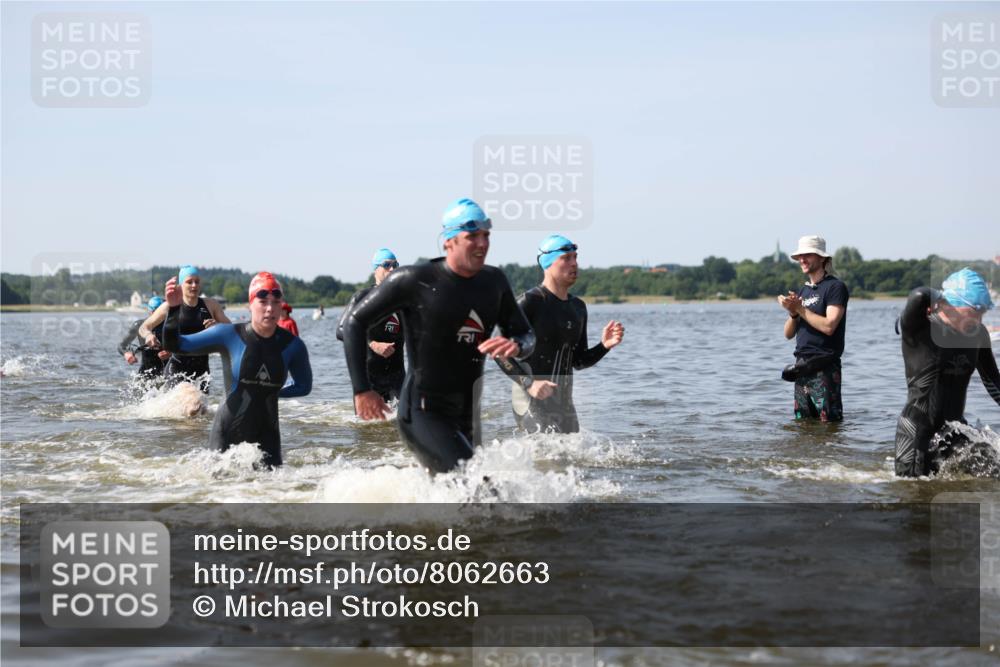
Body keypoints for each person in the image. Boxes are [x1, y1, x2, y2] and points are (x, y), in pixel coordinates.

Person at [340, 198, 535, 473]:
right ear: (449, 242)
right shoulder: (413, 280)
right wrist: (362, 390)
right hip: (421, 410)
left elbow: (526, 334)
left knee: (456, 495)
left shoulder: (494, 283)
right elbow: (352, 323)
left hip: (467, 412)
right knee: (473, 488)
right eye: (472, 236)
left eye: (486, 235)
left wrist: (515, 344)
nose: (482, 243)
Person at [161, 271, 312, 468]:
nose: (270, 308)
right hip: (225, 436)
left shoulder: (293, 346)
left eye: (276, 301)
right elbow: (176, 345)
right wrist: (173, 310)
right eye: (263, 301)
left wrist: (269, 390)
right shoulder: (229, 335)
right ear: (250, 304)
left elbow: (304, 386)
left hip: (268, 439)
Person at [496, 234, 624, 433]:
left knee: (573, 460)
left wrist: (604, 346)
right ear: (547, 263)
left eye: (575, 257)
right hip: (530, 401)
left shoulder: (578, 307)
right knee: (549, 456)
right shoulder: (529, 302)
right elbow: (498, 352)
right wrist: (529, 383)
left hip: (565, 408)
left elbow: (579, 361)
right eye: (566, 258)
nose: (574, 264)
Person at [894, 268, 1000, 477]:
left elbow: (994, 383)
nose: (978, 320)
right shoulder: (921, 328)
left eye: (982, 314)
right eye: (974, 312)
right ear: (949, 304)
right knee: (916, 498)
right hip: (917, 433)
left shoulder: (978, 335)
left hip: (954, 431)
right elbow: (919, 295)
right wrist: (940, 297)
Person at [777, 235, 849, 422]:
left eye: (808, 254)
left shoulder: (835, 287)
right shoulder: (803, 291)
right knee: (803, 425)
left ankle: (830, 453)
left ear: (822, 258)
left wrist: (800, 309)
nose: (802, 259)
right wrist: (793, 312)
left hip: (825, 366)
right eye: (800, 256)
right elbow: (788, 334)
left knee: (829, 425)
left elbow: (829, 326)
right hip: (801, 367)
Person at [139, 265, 229, 392]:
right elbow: (144, 327)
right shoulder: (169, 306)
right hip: (177, 370)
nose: (194, 285)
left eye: (197, 282)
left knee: (199, 410)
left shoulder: (211, 305)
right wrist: (148, 335)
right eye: (189, 282)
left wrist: (218, 327)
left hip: (202, 372)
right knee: (186, 404)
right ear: (181, 285)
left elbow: (232, 330)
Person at [336, 248, 405, 405]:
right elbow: (341, 331)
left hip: (397, 379)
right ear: (376, 269)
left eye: (395, 265)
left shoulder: (404, 299)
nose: (393, 269)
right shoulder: (362, 297)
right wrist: (373, 344)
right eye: (387, 265)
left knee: (402, 424)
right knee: (368, 426)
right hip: (369, 380)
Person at [118, 296, 170, 379]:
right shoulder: (139, 325)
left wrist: (171, 353)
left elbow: (185, 347)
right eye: (153, 311)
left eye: (158, 311)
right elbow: (122, 346)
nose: (155, 314)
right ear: (149, 311)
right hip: (145, 372)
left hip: (168, 371)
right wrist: (127, 353)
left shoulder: (171, 326)